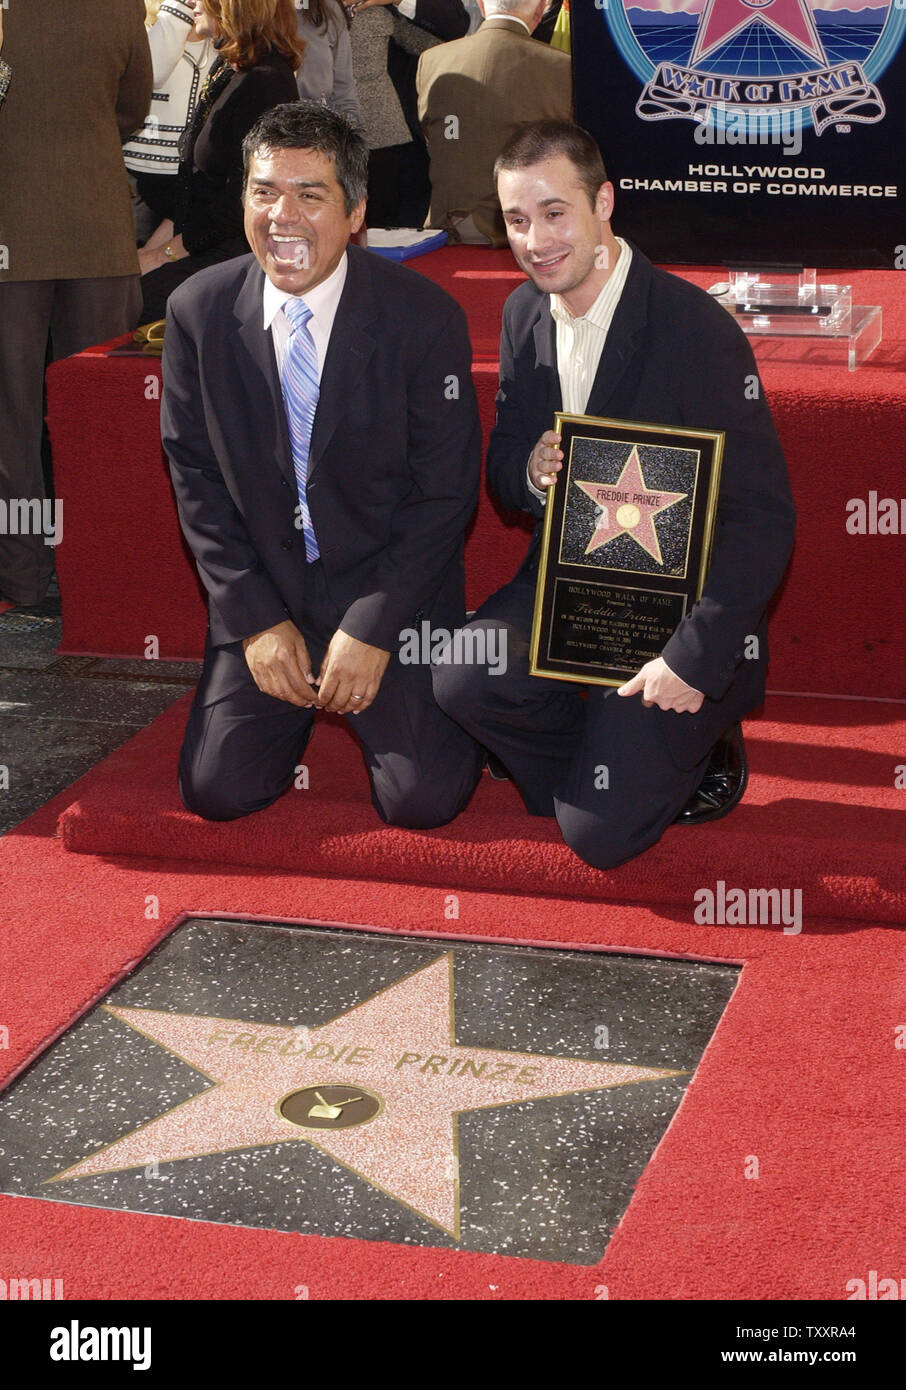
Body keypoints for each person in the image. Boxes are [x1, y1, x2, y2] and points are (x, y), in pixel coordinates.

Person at [432, 120, 796, 870]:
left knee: (598, 839)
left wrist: (694, 661)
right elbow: (504, 469)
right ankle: (602, 749)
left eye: (555, 213)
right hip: (568, 587)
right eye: (517, 220)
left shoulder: (696, 329)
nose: (536, 241)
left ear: (603, 203)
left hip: (678, 614)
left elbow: (762, 519)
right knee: (463, 674)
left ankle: (693, 743)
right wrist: (531, 474)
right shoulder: (522, 314)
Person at [161, 103, 484, 827]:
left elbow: (444, 493)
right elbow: (195, 477)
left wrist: (372, 627)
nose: (284, 216)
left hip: (386, 593)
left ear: (356, 210)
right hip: (270, 593)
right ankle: (286, 699)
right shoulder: (197, 312)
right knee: (217, 793)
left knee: (421, 803)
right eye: (265, 191)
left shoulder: (424, 318)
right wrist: (253, 621)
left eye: (311, 195)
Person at [0, 0, 152, 609]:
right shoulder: (121, 6)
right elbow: (131, 109)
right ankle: (101, 574)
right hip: (97, 232)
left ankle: (23, 577)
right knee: (98, 420)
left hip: (12, 235)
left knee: (11, 426)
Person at [138, 0, 303, 321]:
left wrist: (162, 256)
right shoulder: (230, 70)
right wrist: (147, 255)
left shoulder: (266, 82)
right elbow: (195, 190)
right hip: (204, 245)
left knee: (140, 302)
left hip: (234, 256)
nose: (193, 2)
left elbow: (239, 203)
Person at [417, 0, 571, 246]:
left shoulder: (432, 60)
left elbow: (434, 138)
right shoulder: (562, 66)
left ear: (480, 4)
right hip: (529, 231)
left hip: (445, 227)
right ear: (542, 9)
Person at [124, 1, 218, 243]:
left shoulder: (219, 34)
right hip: (141, 177)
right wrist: (179, 11)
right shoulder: (148, 26)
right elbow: (151, 74)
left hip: (196, 181)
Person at [294, 0, 362, 129]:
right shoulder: (254, 12)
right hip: (268, 136)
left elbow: (343, 90)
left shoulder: (328, 8)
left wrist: (349, 131)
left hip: (320, 133)